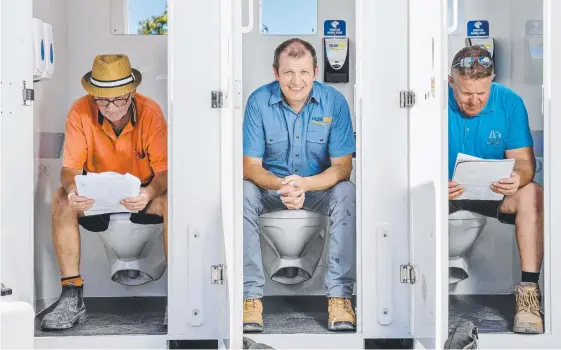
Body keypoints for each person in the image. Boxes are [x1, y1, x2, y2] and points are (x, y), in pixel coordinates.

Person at [40, 54, 168, 330]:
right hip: (97, 197)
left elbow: (165, 172)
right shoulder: (79, 111)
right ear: (93, 96)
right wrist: (74, 190)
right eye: (101, 100)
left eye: (118, 99)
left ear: (132, 93)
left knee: (174, 203)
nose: (110, 107)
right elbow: (69, 171)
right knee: (61, 200)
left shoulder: (151, 112)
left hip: (141, 196)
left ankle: (179, 294)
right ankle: (71, 297)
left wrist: (147, 193)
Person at [242, 38, 356, 333]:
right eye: (289, 72)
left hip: (316, 189)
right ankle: (249, 299)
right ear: (275, 73)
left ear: (315, 71)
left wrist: (304, 184)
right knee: (241, 193)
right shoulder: (258, 102)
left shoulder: (334, 102)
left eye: (304, 72)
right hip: (271, 189)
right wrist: (284, 186)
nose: (296, 81)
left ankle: (340, 297)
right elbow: (250, 167)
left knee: (346, 192)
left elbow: (343, 167)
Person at [448, 46, 544, 334]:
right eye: (466, 93)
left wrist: (518, 177)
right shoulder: (431, 100)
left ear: (492, 81)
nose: (474, 100)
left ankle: (528, 293)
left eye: (482, 93)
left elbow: (526, 163)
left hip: (490, 192)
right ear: (451, 81)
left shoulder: (509, 102)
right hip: (443, 194)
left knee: (533, 193)